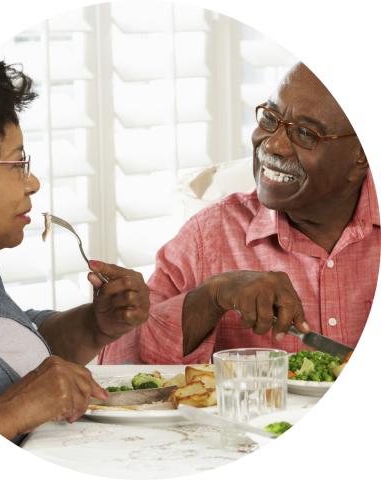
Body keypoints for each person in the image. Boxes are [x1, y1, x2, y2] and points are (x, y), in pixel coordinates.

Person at [0, 57, 150, 445]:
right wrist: (7, 413)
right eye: (17, 163)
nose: (32, 183)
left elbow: (17, 350)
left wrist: (93, 325)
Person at [98, 62, 378, 365]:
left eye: (305, 133)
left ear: (361, 154)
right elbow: (119, 365)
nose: (272, 144)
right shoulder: (210, 235)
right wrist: (211, 296)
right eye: (270, 118)